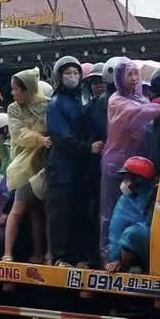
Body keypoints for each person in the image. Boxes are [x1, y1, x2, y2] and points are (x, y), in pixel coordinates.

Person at [99, 58, 160, 260]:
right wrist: (159, 110)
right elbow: (133, 114)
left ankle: (129, 253)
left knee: (136, 210)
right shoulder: (116, 100)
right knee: (110, 211)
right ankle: (109, 254)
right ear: (119, 79)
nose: (134, 79)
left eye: (136, 74)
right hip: (117, 163)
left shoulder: (143, 99)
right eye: (129, 75)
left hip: (139, 165)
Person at [46, 56, 103, 267]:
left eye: (76, 73)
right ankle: (61, 256)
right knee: (61, 213)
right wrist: (88, 148)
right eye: (67, 73)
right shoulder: (55, 103)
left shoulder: (82, 100)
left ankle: (80, 255)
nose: (73, 77)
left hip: (79, 167)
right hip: (62, 167)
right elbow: (61, 138)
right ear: (59, 77)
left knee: (79, 211)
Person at [2, 68, 50, 263]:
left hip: (44, 161)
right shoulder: (14, 109)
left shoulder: (46, 104)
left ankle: (40, 253)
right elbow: (18, 134)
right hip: (24, 163)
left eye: (16, 89)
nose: (13, 93)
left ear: (28, 89)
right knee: (19, 208)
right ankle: (7, 253)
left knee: (40, 211)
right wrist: (40, 138)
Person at [105, 156, 156, 273]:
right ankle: (129, 265)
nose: (124, 182)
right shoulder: (124, 200)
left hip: (155, 249)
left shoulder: (155, 196)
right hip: (129, 250)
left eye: (128, 178)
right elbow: (115, 231)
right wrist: (115, 258)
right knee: (130, 234)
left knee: (133, 234)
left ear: (139, 179)